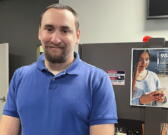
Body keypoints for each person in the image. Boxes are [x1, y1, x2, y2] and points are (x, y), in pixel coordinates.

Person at [0, 3, 117, 135]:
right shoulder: (20, 76)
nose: (55, 39)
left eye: (65, 30)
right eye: (49, 29)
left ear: (77, 36)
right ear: (39, 32)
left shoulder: (97, 80)